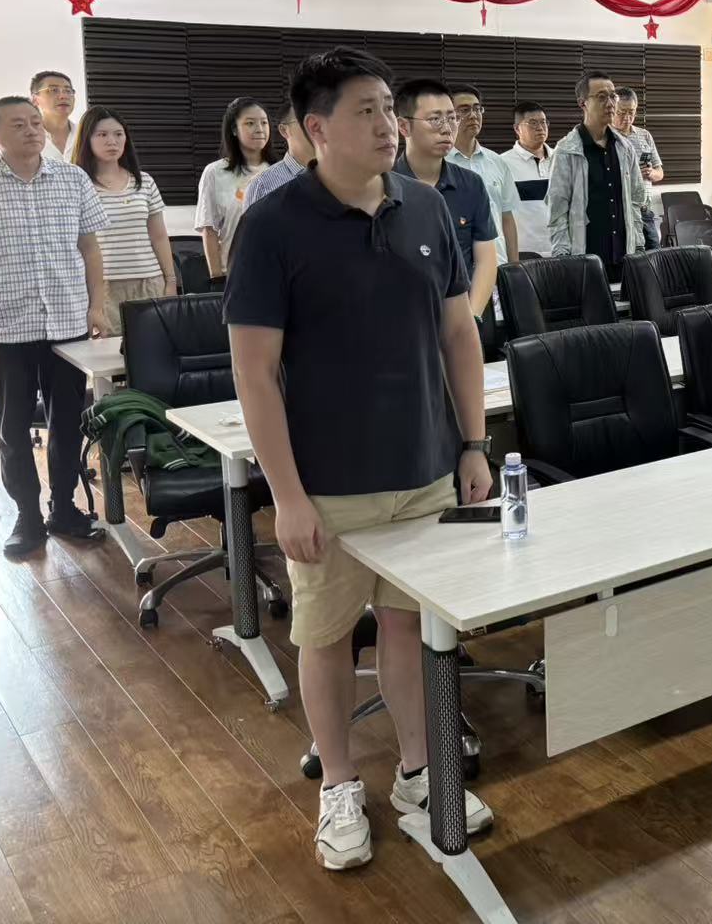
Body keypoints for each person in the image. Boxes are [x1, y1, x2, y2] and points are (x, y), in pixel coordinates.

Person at [226, 47, 493, 872]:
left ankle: (418, 770)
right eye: (365, 111)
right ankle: (339, 783)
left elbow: (458, 333)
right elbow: (254, 374)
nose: (387, 126)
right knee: (327, 635)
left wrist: (473, 443)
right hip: (328, 484)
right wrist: (287, 496)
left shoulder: (425, 208)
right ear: (317, 128)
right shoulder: (273, 224)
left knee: (411, 628)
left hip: (424, 469)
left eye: (388, 108)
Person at [0, 97, 108, 557]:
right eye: (18, 124)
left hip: (67, 321)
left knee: (68, 423)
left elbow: (90, 248)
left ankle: (63, 508)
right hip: (7, 327)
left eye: (35, 122)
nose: (31, 130)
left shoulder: (72, 178)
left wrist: (96, 307)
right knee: (12, 428)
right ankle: (27, 515)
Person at [393, 80, 497, 322]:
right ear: (404, 126)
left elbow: (485, 260)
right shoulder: (383, 186)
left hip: (464, 316)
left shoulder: (471, 184)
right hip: (404, 321)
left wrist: (471, 318)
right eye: (435, 119)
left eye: (452, 118)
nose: (447, 128)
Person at [73, 106, 177, 334]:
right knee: (108, 351)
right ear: (87, 139)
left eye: (118, 134)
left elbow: (159, 236)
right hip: (103, 287)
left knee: (155, 345)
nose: (112, 141)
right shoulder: (78, 184)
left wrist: (170, 281)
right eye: (102, 134)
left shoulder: (144, 181)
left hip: (149, 281)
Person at [546, 72, 647, 279]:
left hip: (624, 256)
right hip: (585, 260)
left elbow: (636, 200)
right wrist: (563, 257)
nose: (610, 103)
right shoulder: (567, 150)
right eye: (601, 97)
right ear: (582, 103)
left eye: (613, 96)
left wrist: (638, 245)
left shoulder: (624, 147)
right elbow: (557, 212)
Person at [196, 97, 272, 279]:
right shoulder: (215, 172)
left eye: (264, 122)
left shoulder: (279, 170)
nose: (259, 129)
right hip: (233, 274)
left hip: (276, 274)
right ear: (234, 130)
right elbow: (209, 230)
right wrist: (217, 278)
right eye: (250, 123)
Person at [447, 83, 521, 265]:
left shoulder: (497, 161)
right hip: (456, 267)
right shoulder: (439, 163)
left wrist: (514, 267)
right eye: (464, 110)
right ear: (448, 116)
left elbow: (507, 218)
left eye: (477, 108)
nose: (473, 115)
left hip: (498, 263)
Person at [0, 70, 82, 171]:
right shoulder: (23, 137)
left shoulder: (85, 133)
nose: (63, 96)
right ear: (35, 99)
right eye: (53, 90)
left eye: (68, 91)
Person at [501, 100, 554, 257]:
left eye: (543, 122)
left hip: (561, 251)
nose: (540, 127)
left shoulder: (561, 159)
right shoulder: (502, 163)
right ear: (517, 128)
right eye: (533, 123)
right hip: (523, 253)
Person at [246, 98, 318, 210]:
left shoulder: (342, 178)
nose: (315, 128)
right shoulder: (262, 186)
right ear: (284, 130)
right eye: (305, 121)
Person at [614, 87, 663, 249]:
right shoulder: (606, 137)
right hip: (621, 211)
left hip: (645, 210)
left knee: (655, 252)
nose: (627, 118)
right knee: (628, 256)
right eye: (621, 113)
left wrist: (650, 173)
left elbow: (660, 173)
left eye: (632, 112)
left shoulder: (644, 135)